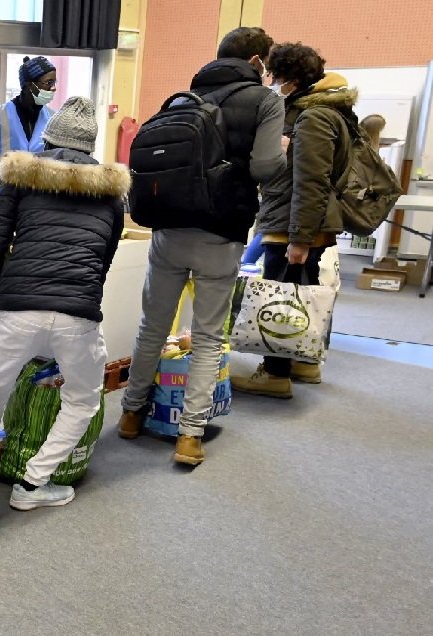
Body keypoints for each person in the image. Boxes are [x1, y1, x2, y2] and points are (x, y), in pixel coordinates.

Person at [118, 27, 287, 465]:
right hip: (221, 231)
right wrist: (281, 153)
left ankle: (131, 415)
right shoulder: (266, 100)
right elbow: (267, 167)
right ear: (256, 61)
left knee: (151, 328)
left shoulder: (181, 99)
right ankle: (190, 437)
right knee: (210, 337)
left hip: (168, 229)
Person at [0, 97, 128, 510]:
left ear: (47, 137)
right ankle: (33, 485)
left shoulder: (22, 178)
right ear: (91, 147)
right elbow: (104, 258)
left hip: (17, 303)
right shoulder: (112, 194)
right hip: (78, 312)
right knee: (82, 398)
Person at [232, 43, 357, 397]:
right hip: (296, 222)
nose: (272, 81)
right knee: (301, 294)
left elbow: (311, 180)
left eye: (274, 75)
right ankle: (302, 361)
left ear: (290, 77)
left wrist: (299, 239)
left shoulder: (313, 117)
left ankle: (274, 373)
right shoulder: (322, 112)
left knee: (280, 299)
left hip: (291, 224)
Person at [0, 55, 58, 197]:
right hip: (0, 196)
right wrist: (1, 176)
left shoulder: (54, 119)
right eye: (48, 82)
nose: (54, 88)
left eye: (55, 82)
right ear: (30, 85)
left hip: (38, 200)